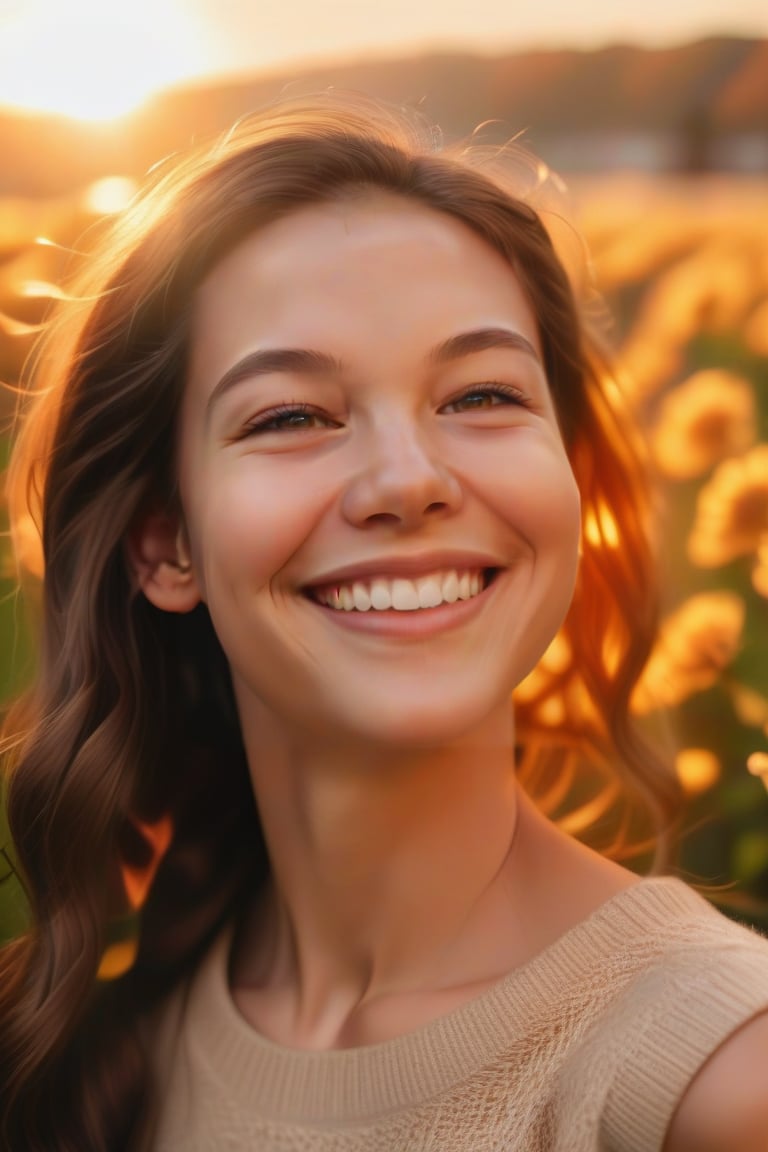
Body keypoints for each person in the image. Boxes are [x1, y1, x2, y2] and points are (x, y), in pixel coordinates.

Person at [1, 93, 768, 1152]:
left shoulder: (719, 1082)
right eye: (292, 416)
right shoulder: (106, 1048)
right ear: (164, 543)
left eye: (482, 396)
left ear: (572, 481)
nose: (408, 483)